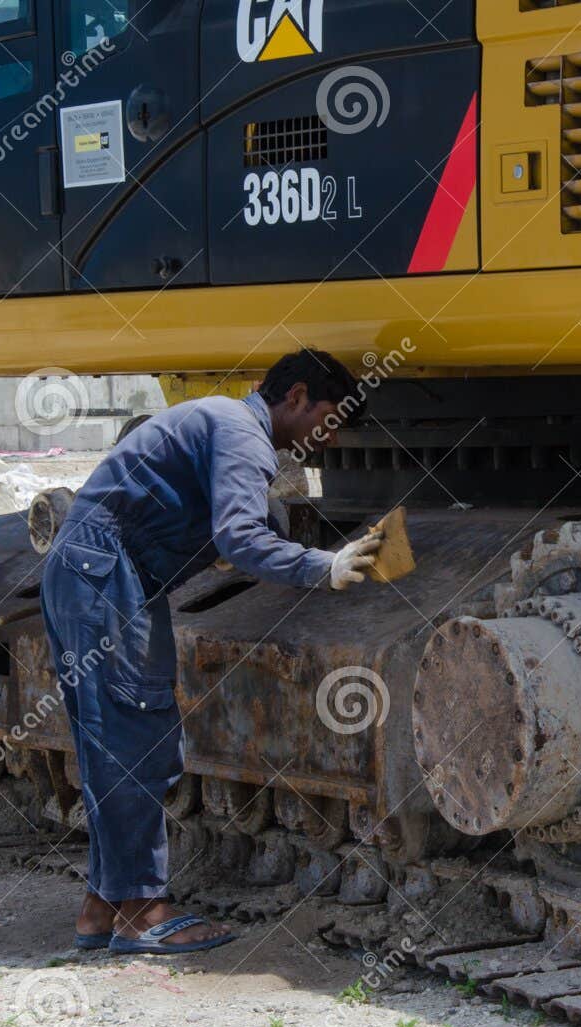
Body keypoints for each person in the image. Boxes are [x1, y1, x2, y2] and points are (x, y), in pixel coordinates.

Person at [40, 348, 382, 955]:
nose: (328, 437)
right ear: (296, 397)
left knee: (114, 741)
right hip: (107, 575)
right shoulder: (243, 436)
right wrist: (322, 566)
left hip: (96, 571)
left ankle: (102, 907)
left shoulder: (219, 421)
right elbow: (241, 536)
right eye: (328, 417)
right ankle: (143, 915)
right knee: (137, 743)